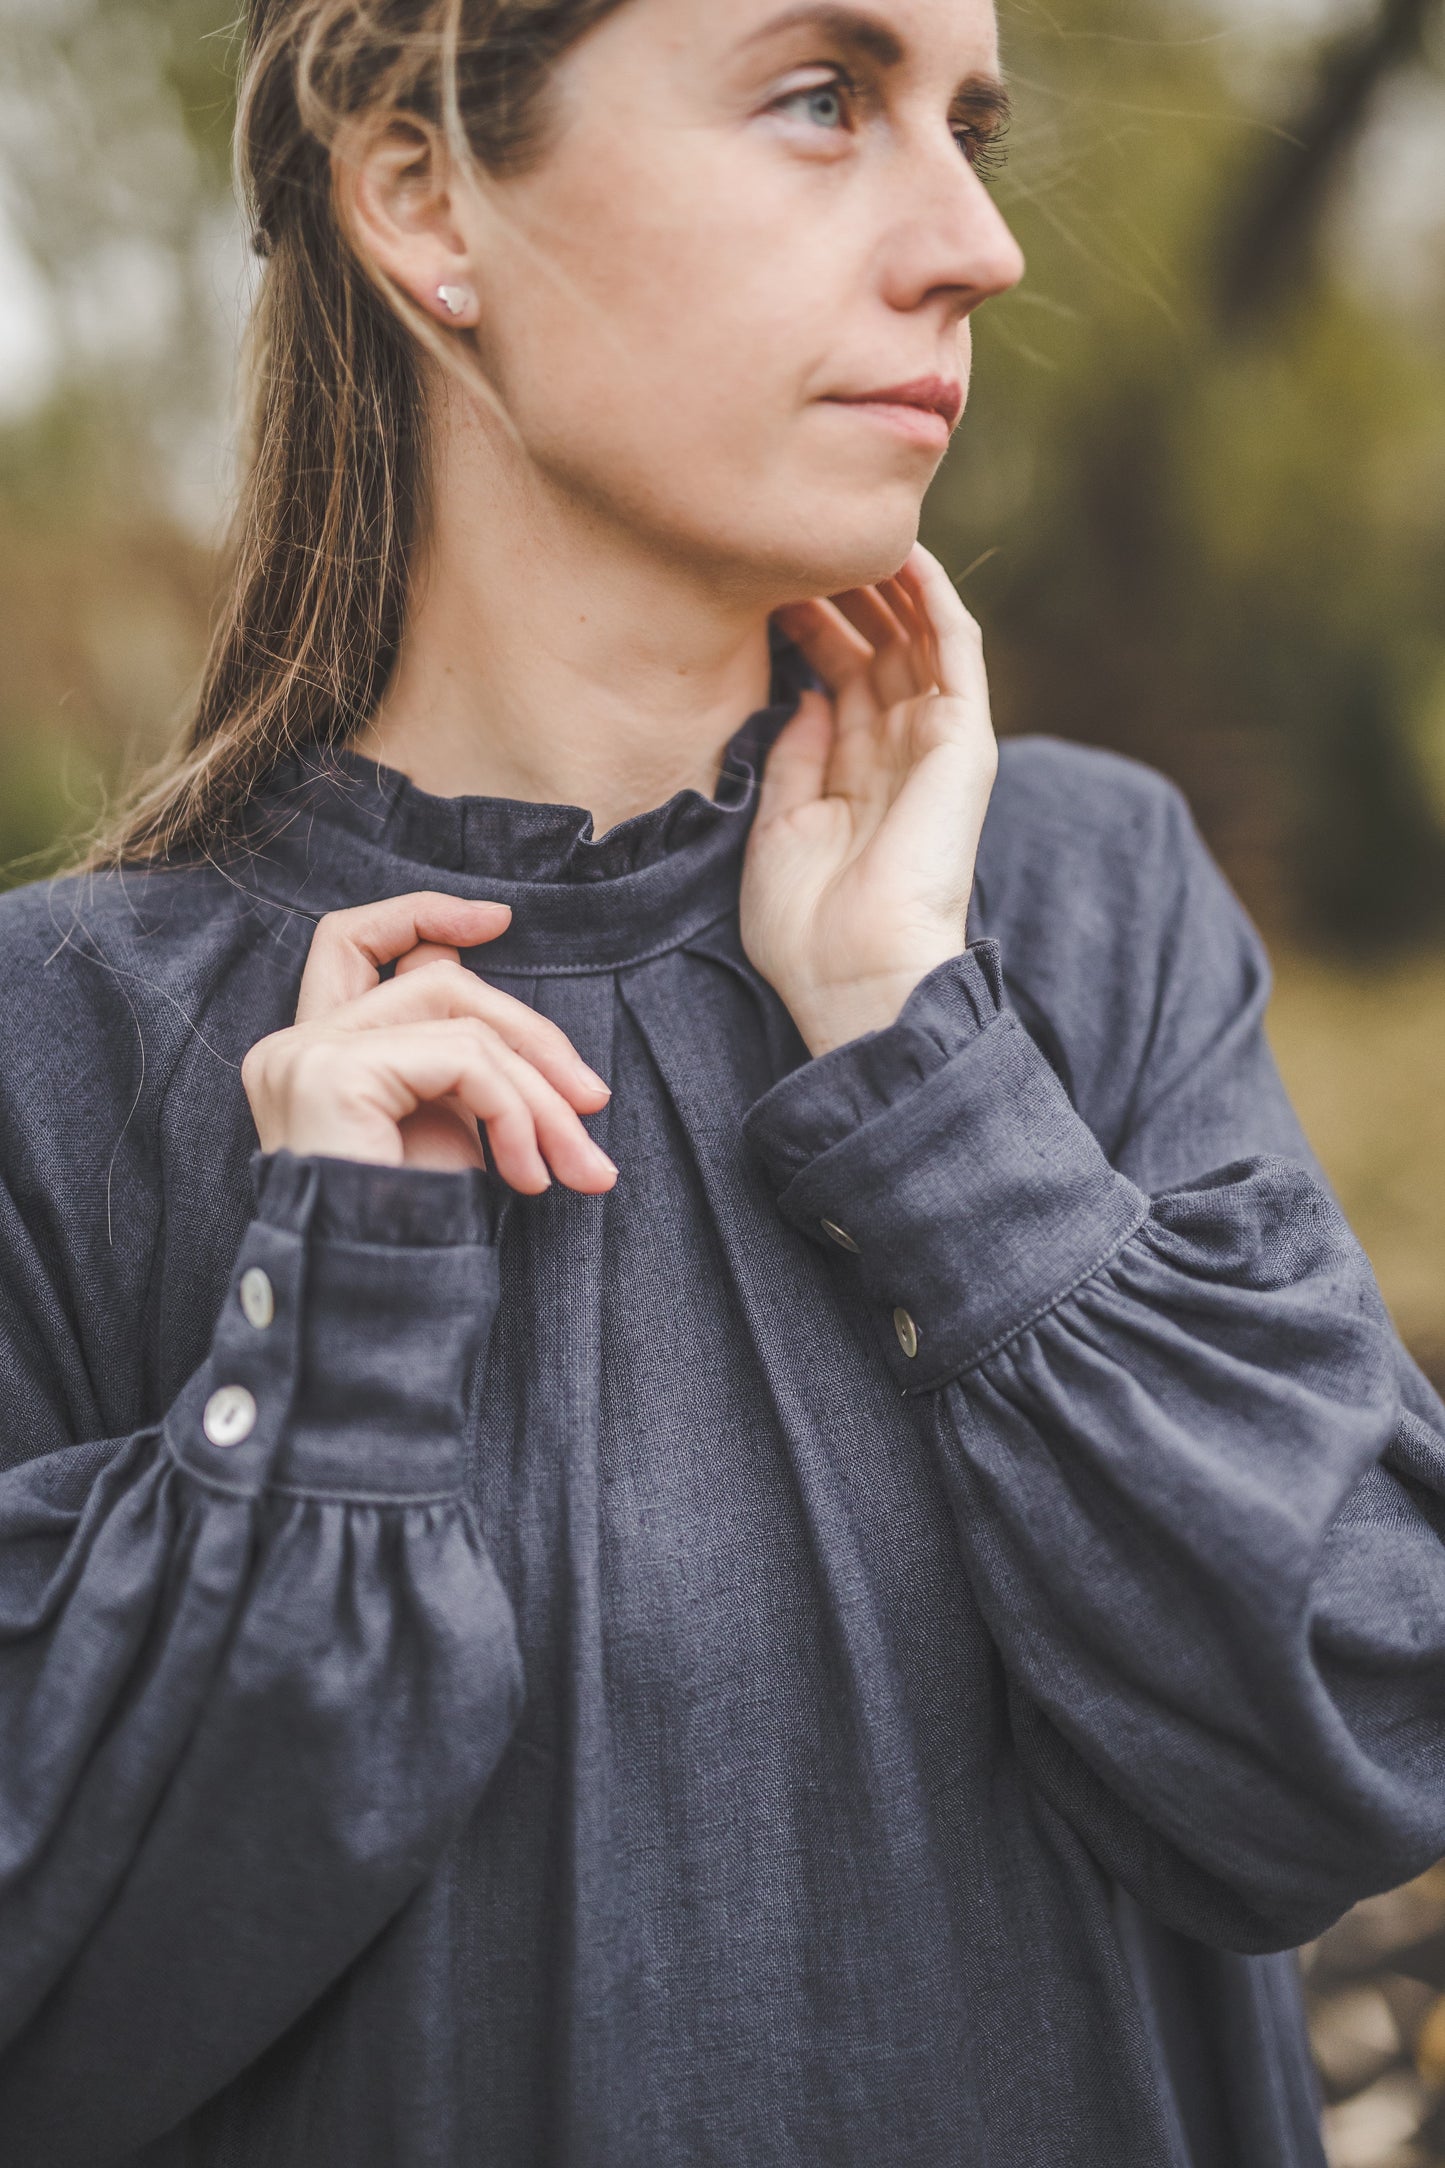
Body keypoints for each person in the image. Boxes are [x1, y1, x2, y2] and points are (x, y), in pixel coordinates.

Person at [1, 0, 1443, 2161]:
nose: (979, 241)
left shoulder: (1085, 903)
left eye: (970, 123)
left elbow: (1353, 1729)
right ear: (418, 194)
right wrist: (330, 1365)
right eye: (819, 100)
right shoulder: (64, 1048)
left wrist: (930, 1072)